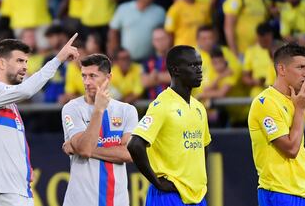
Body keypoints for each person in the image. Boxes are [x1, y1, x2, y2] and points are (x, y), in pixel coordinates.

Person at [0, 33, 79, 206]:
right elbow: (27, 90)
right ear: (1, 63)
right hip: (4, 191)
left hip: (18, 189)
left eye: (26, 62)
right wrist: (58, 59)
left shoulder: (9, 103)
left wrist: (25, 168)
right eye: (19, 61)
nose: (25, 67)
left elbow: (12, 142)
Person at [127, 45, 211, 206]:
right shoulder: (162, 105)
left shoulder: (199, 107)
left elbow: (204, 145)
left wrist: (196, 178)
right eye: (193, 65)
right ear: (176, 70)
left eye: (199, 64)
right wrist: (157, 182)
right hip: (169, 197)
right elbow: (135, 144)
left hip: (196, 195)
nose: (199, 70)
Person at [61, 54, 138, 206]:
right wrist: (98, 110)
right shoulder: (72, 108)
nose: (86, 82)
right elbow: (84, 149)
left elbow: (129, 154)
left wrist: (80, 148)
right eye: (83, 76)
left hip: (117, 201)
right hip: (81, 201)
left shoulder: (127, 110)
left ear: (108, 78)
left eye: (92, 76)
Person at [248, 43, 305, 206]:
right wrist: (300, 110)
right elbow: (291, 149)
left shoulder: (296, 100)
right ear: (282, 69)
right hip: (279, 193)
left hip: (301, 191)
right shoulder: (265, 103)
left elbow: (299, 146)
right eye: (300, 67)